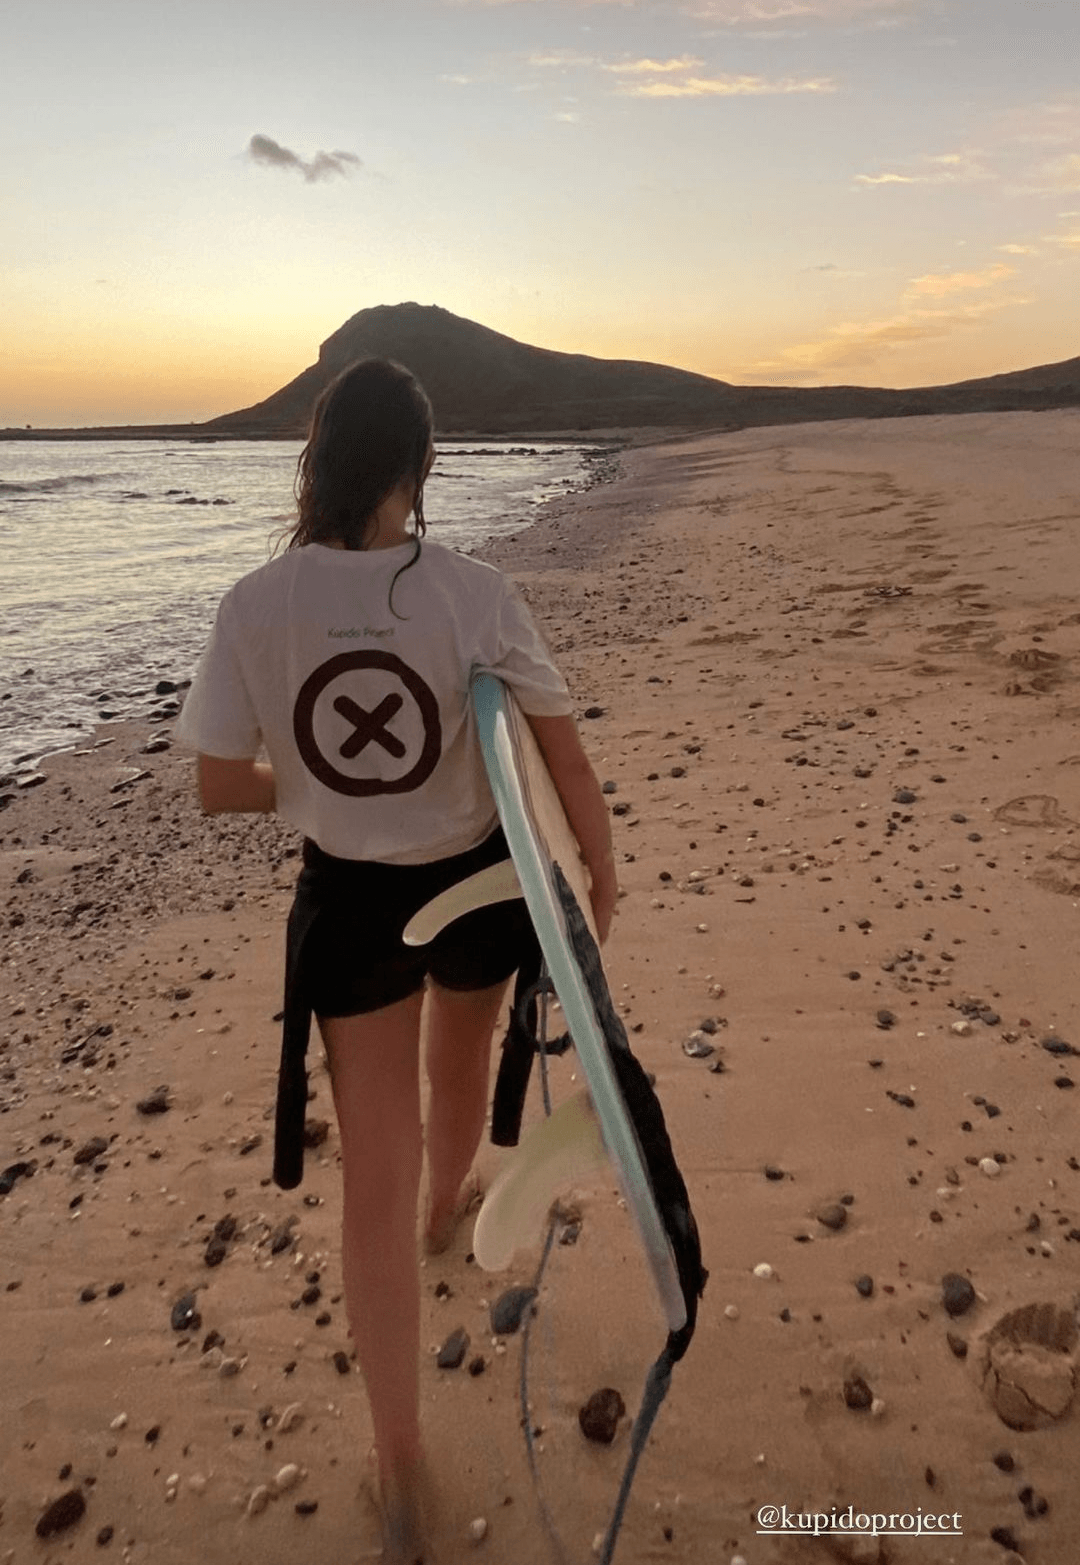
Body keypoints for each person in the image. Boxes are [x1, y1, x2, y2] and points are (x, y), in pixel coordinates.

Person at [175, 358, 617, 1563]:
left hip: (350, 897)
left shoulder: (255, 602)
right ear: (421, 470)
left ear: (319, 460)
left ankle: (399, 1455)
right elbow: (561, 758)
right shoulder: (473, 592)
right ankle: (444, 1210)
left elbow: (220, 786)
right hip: (475, 876)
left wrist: (316, 778)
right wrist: (599, 874)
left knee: (366, 1161)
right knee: (459, 1072)